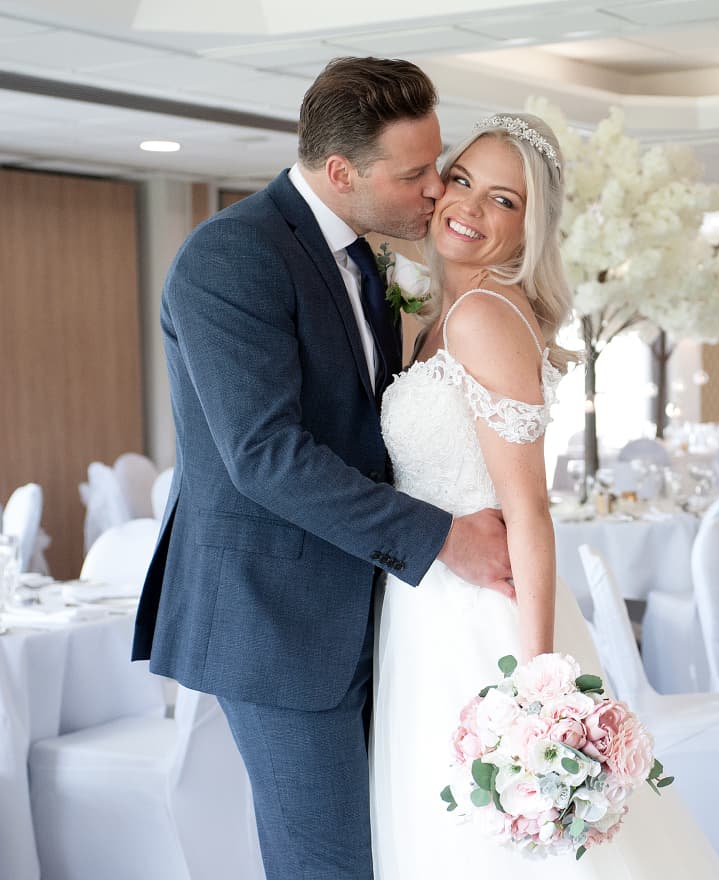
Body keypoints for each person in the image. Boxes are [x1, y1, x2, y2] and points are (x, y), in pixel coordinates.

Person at [131, 57, 514, 879]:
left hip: (366, 604)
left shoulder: (364, 260)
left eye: (436, 164)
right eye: (415, 174)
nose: (437, 191)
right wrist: (442, 537)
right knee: (330, 867)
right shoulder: (232, 257)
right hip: (274, 622)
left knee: (392, 847)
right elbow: (265, 457)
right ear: (340, 172)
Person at [370, 113, 719, 878]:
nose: (468, 207)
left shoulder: (484, 318)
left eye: (503, 200)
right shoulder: (436, 317)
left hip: (479, 621)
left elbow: (529, 510)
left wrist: (539, 688)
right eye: (462, 181)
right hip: (425, 606)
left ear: (529, 229)